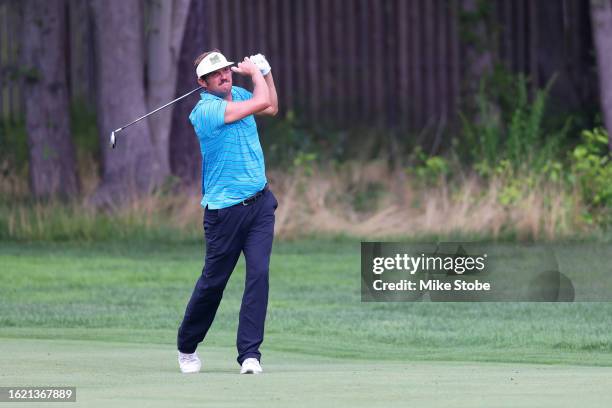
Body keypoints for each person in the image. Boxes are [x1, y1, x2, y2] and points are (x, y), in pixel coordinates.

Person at [176, 50, 279, 374]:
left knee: (259, 274)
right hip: (224, 213)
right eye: (216, 74)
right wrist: (256, 73)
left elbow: (271, 106)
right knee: (213, 283)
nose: (224, 76)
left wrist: (267, 72)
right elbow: (260, 102)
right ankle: (187, 346)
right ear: (203, 83)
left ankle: (250, 355)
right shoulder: (205, 112)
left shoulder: (239, 94)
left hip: (260, 203)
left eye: (225, 70)